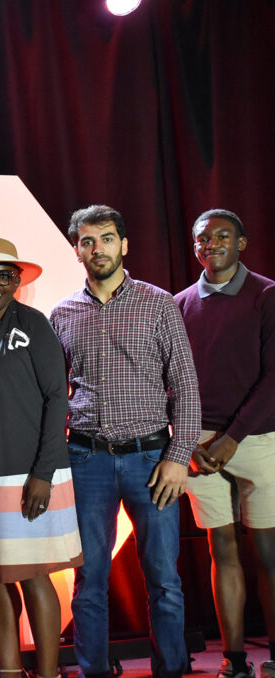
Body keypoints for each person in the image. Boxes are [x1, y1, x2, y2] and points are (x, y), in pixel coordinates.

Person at [50, 205, 200, 678]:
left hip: (152, 459)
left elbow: (186, 386)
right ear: (76, 249)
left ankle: (171, 669)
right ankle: (94, 670)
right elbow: (55, 395)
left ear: (124, 245)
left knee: (164, 579)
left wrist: (178, 457)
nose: (99, 249)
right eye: (88, 241)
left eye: (108, 238)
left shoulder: (159, 304)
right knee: (88, 579)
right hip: (86, 458)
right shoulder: (62, 313)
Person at [0, 237, 83, 678]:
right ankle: (10, 671)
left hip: (25, 472)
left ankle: (46, 673)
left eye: (4, 275)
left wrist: (42, 473)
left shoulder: (35, 324)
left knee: (32, 574)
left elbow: (55, 400)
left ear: (17, 281)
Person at [174, 209, 275, 678]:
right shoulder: (179, 304)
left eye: (222, 236)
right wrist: (184, 440)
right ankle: (234, 661)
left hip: (256, 439)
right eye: (202, 238)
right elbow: (170, 380)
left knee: (269, 553)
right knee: (223, 552)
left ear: (242, 243)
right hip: (199, 445)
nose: (210, 243)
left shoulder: (267, 295)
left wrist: (233, 438)